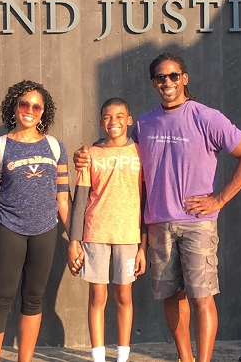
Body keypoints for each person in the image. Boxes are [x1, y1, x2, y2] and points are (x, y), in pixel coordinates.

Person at [74, 53, 241, 362]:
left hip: (196, 223)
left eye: (173, 76)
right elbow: (118, 146)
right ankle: (184, 359)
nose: (168, 82)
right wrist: (86, 154)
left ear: (184, 78)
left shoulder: (206, 117)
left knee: (201, 297)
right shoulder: (146, 123)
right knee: (172, 298)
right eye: (161, 78)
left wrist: (218, 199)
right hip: (158, 224)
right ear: (153, 83)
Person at [0, 80, 71, 362]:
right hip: (9, 230)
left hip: (46, 231)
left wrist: (76, 239)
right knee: (2, 298)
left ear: (43, 112)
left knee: (34, 299)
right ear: (14, 107)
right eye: (24, 104)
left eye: (36, 106)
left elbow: (63, 199)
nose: (29, 110)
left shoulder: (56, 147)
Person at [67, 97, 147, 362]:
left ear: (129, 120)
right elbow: (80, 199)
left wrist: (143, 246)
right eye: (108, 117)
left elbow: (145, 199)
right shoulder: (90, 154)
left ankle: (122, 356)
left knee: (124, 295)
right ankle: (98, 357)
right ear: (101, 122)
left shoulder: (140, 152)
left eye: (119, 116)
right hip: (95, 234)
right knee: (97, 296)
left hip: (128, 237)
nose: (114, 122)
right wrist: (74, 240)